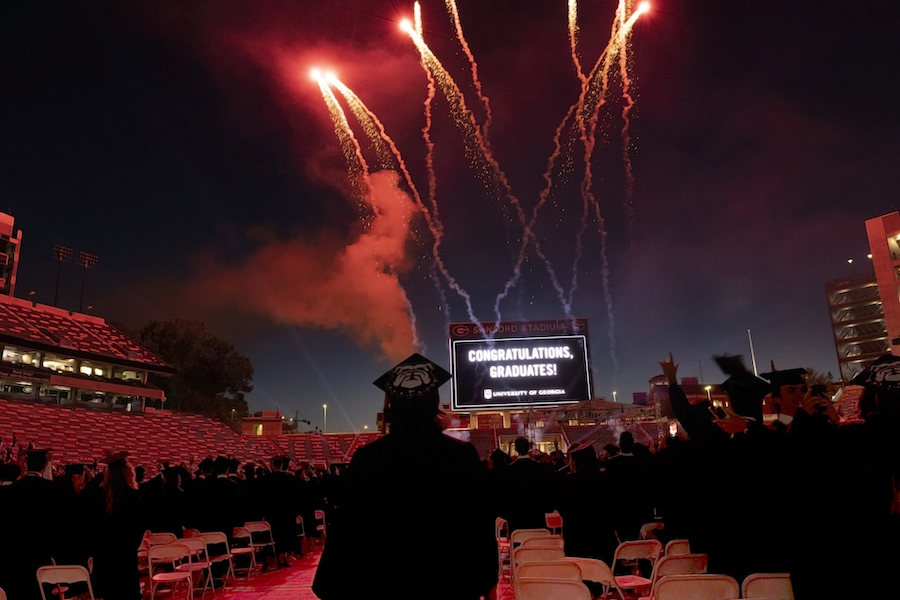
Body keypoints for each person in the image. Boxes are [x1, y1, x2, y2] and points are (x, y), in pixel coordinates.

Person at [313, 353, 497, 600]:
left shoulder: (368, 459)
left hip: (382, 584)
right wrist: (485, 581)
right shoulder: (461, 456)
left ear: (391, 407)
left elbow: (347, 530)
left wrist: (332, 583)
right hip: (450, 584)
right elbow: (479, 524)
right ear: (434, 404)